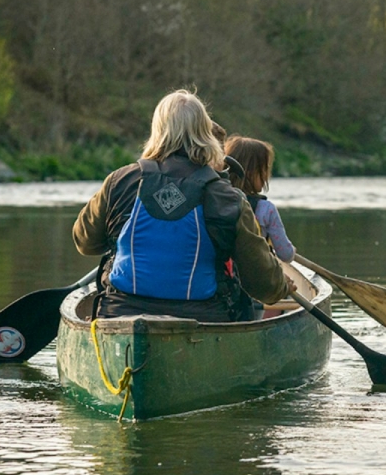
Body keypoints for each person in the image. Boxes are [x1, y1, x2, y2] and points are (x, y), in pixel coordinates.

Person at [72, 89, 292, 321]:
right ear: (204, 132)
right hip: (204, 320)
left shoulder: (119, 182)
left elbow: (85, 243)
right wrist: (282, 287)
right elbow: (264, 287)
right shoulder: (229, 198)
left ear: (157, 129)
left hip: (119, 314)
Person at [224, 136, 296, 263]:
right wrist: (292, 251)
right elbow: (286, 254)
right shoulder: (266, 209)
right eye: (265, 169)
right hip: (256, 273)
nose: (267, 175)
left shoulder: (216, 199)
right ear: (252, 173)